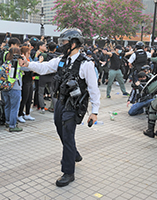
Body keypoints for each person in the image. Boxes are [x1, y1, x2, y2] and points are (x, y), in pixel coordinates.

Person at [20, 28, 100, 187]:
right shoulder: (61, 60)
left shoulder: (86, 64)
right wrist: (28, 64)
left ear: (74, 43)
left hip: (74, 106)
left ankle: (68, 172)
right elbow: (44, 68)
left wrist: (95, 112)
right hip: (60, 103)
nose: (61, 45)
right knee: (59, 129)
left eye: (64, 42)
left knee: (68, 135)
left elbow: (93, 89)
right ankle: (74, 154)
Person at [1, 47, 24, 132]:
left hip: (5, 87)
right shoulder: (18, 64)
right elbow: (28, 68)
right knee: (14, 107)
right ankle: (13, 125)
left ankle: (7, 121)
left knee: (7, 105)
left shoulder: (6, 63)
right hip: (15, 88)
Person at [17, 46, 35, 123]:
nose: (29, 55)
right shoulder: (20, 60)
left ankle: (27, 114)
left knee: (30, 98)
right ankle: (19, 114)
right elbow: (25, 68)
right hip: (24, 82)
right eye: (28, 53)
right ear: (24, 53)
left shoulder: (29, 59)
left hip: (30, 81)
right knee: (24, 98)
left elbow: (33, 65)